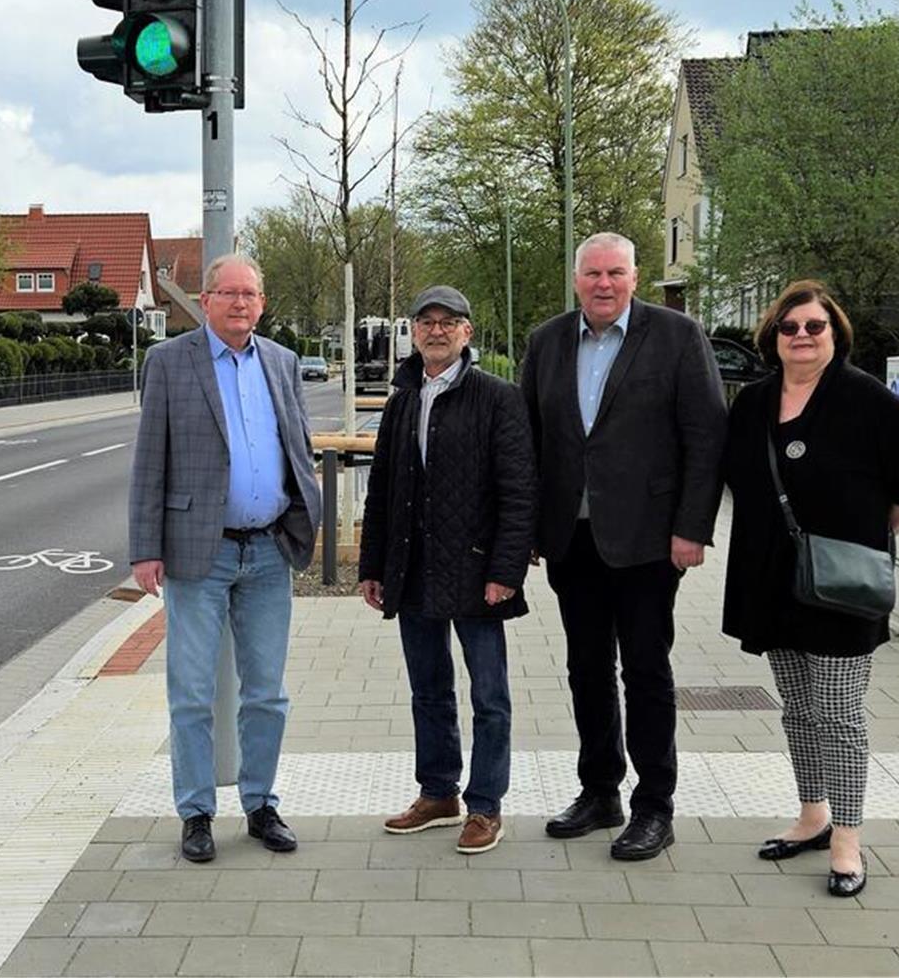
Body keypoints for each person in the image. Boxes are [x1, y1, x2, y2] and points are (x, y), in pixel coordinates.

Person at [720, 280, 899, 898]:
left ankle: (847, 836)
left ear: (834, 333)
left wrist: (866, 540)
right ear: (773, 337)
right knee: (799, 709)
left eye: (815, 326)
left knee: (839, 714)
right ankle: (811, 813)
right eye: (790, 328)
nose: (803, 337)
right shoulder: (755, 402)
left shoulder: (865, 398)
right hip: (772, 582)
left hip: (841, 588)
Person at [519, 231, 727, 861]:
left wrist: (693, 527)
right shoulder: (547, 342)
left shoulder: (675, 337)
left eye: (615, 273)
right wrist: (527, 533)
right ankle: (599, 790)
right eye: (592, 274)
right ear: (575, 278)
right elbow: (530, 443)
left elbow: (707, 434)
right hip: (570, 539)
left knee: (645, 668)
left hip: (647, 540)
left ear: (634, 278)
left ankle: (655, 805)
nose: (603, 284)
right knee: (586, 669)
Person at [128, 252, 322, 863]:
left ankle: (261, 803)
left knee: (266, 690)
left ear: (262, 303)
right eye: (228, 293)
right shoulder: (168, 362)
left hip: (267, 552)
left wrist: (304, 515)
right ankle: (196, 812)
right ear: (205, 300)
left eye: (250, 294)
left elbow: (297, 445)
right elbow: (149, 461)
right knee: (191, 692)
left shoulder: (282, 363)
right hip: (197, 555)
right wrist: (144, 549)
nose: (240, 303)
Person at [357, 286, 536, 855]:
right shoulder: (403, 399)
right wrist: (373, 565)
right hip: (413, 572)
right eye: (426, 322)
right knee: (428, 689)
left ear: (467, 333)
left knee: (489, 694)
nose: (436, 330)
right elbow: (381, 488)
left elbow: (519, 491)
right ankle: (438, 793)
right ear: (413, 331)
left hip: (479, 572)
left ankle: (486, 805)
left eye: (448, 322)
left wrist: (506, 569)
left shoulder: (497, 398)